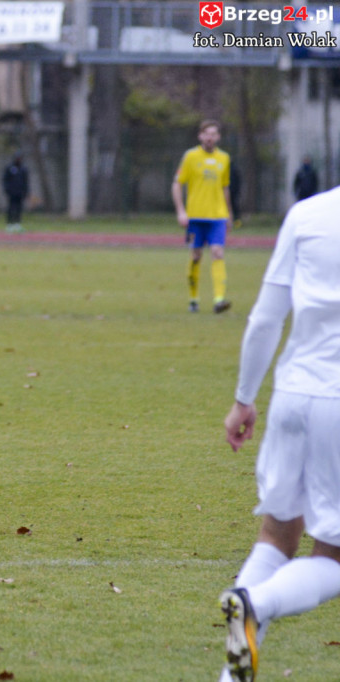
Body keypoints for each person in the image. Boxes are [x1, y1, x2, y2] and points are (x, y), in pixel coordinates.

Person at [218, 185, 340, 681]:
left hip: (293, 395)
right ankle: (256, 602)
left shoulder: (307, 214)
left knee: (276, 535)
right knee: (334, 557)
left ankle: (230, 678)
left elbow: (266, 318)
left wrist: (244, 398)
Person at [172, 119, 233, 314]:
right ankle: (193, 299)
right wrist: (181, 211)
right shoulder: (190, 156)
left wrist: (229, 213)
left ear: (218, 137)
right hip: (196, 217)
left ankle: (219, 299)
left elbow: (225, 187)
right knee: (196, 256)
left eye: (213, 134)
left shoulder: (224, 158)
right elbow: (177, 184)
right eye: (207, 134)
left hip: (217, 217)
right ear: (200, 136)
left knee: (217, 252)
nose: (210, 137)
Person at [1, 153, 29, 233]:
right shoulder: (9, 168)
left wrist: (26, 191)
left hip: (20, 193)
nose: (18, 160)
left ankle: (17, 224)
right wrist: (7, 190)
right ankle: (9, 225)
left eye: (20, 158)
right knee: (10, 208)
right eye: (17, 158)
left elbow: (26, 182)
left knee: (19, 209)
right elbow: (5, 180)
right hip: (11, 193)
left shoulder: (23, 169)